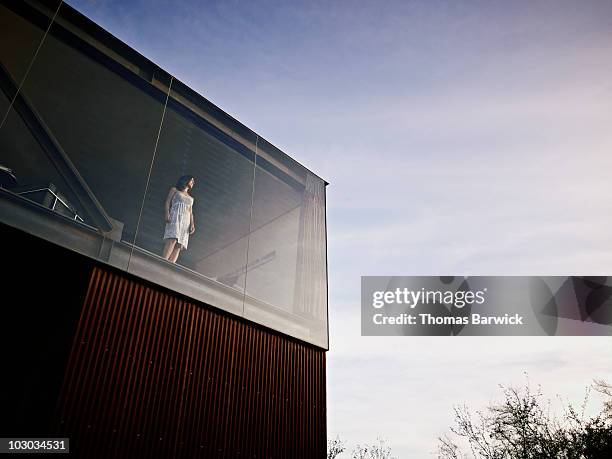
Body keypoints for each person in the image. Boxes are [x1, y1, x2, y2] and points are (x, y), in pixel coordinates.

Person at [162, 175, 195, 263]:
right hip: (176, 216)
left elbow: (191, 212)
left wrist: (192, 224)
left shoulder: (191, 198)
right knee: (172, 239)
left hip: (186, 221)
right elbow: (167, 202)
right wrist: (167, 213)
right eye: (191, 180)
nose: (193, 183)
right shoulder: (174, 190)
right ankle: (163, 261)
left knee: (179, 245)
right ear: (186, 180)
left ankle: (170, 265)